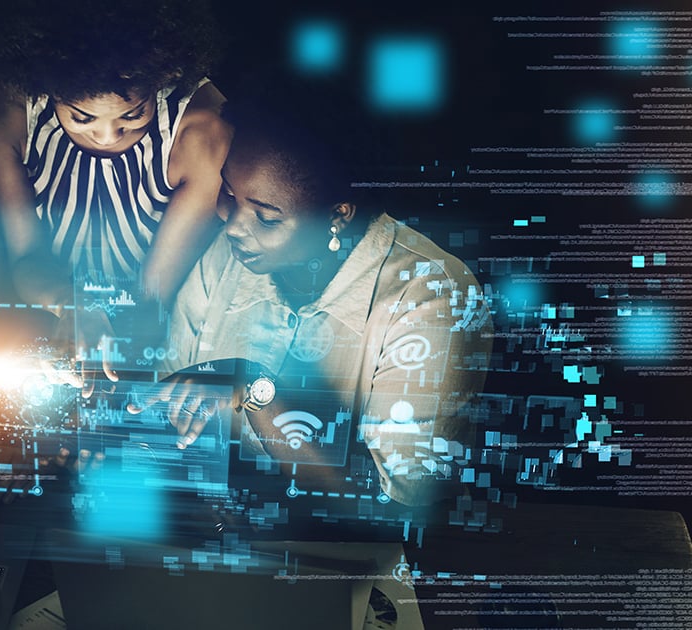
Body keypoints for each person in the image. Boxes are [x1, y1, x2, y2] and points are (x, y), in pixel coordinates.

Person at [143, 97, 492, 507]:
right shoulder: (226, 257)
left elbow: (398, 502)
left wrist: (255, 387)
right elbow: (166, 404)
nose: (233, 226)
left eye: (267, 218)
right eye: (229, 194)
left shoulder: (434, 297)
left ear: (338, 215)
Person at [0, 0, 231, 379]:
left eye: (132, 114)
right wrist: (73, 308)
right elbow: (26, 257)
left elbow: (154, 295)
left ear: (163, 77)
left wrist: (105, 343)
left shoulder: (202, 130)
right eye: (81, 117)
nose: (107, 135)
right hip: (47, 317)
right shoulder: (7, 115)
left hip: (155, 333)